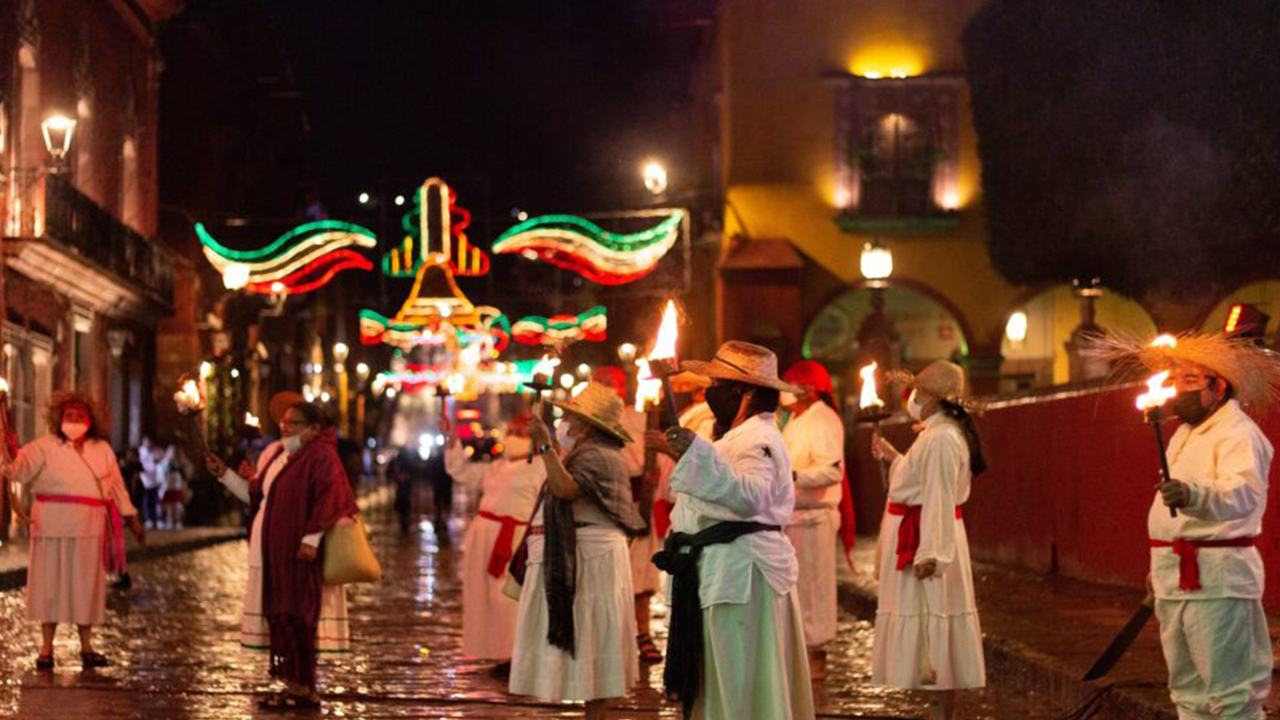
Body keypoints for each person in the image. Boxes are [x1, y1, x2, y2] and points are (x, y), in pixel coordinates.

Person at [1109, 332, 1278, 720]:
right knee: (1186, 691)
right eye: (1175, 380)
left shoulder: (1238, 434)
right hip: (1175, 580)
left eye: (1189, 380)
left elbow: (1244, 494)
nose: (1177, 389)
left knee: (1231, 694)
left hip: (1218, 581)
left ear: (1218, 387)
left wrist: (1192, 495)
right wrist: (1159, 570)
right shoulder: (1185, 434)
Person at [649, 340, 815, 720]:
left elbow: (750, 497)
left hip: (742, 575)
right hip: (723, 573)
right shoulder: (736, 437)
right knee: (724, 675)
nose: (713, 393)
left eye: (721, 385)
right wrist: (692, 454)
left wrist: (695, 455)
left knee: (739, 677)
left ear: (746, 393)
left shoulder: (759, 441)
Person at [206, 400, 357, 711]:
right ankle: (294, 686)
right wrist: (224, 475)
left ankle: (305, 687)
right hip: (272, 553)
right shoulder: (278, 455)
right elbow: (255, 495)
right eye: (284, 423)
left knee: (299, 617)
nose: (286, 428)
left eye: (294, 423)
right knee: (282, 618)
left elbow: (331, 498)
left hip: (297, 553)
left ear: (314, 429)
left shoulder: (321, 457)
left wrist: (312, 538)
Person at [509, 382, 647, 720]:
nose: (564, 423)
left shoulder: (599, 454)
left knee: (597, 650)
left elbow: (566, 489)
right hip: (588, 557)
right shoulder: (591, 451)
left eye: (569, 417)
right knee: (592, 648)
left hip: (593, 560)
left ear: (585, 425)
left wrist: (545, 448)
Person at [870, 360, 987, 720]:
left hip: (926, 539)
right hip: (922, 533)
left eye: (917, 392)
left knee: (933, 625)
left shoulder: (939, 439)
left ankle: (941, 712)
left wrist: (931, 553)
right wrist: (896, 458)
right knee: (932, 625)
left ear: (933, 399)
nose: (912, 397)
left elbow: (937, 496)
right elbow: (925, 482)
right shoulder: (937, 435)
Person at [5, 391, 146, 670]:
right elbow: (16, 469)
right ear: (59, 419)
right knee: (49, 585)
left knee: (87, 587)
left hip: (89, 527)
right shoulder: (43, 447)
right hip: (50, 525)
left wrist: (132, 518)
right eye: (69, 416)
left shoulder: (102, 450)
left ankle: (87, 646)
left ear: (90, 420)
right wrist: (5, 444)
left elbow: (116, 486)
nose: (74, 420)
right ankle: (46, 648)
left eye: (79, 416)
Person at [444, 411, 545, 678]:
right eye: (511, 431)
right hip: (485, 536)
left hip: (515, 538)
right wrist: (453, 439)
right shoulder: (497, 466)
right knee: (488, 597)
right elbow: (462, 471)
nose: (514, 438)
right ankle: (501, 651)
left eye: (521, 433)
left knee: (509, 598)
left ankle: (519, 655)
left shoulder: (541, 466)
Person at [779, 360, 846, 681]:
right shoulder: (794, 419)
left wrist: (792, 475)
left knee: (814, 590)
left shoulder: (824, 419)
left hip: (814, 518)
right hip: (791, 517)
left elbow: (832, 470)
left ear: (807, 389)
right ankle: (797, 653)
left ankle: (816, 654)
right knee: (795, 589)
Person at [593, 365, 665, 664]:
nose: (613, 388)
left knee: (640, 575)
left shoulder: (639, 419)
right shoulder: (587, 422)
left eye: (618, 383)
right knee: (605, 578)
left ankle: (641, 633)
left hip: (639, 503)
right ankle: (605, 639)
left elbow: (656, 458)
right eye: (605, 383)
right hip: (604, 508)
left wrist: (655, 473)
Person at [138, 437, 172, 529]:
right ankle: (148, 519)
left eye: (150, 442)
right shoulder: (141, 452)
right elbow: (142, 465)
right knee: (147, 501)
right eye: (146, 442)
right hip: (145, 481)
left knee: (157, 501)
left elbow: (161, 463)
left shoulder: (157, 451)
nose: (148, 444)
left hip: (156, 480)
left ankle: (158, 520)